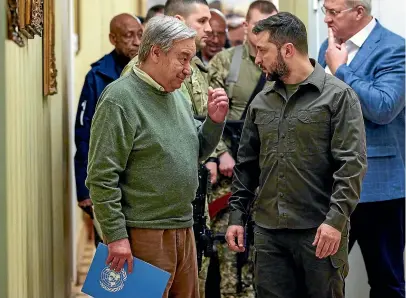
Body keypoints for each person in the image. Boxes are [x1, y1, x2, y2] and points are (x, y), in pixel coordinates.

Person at [226, 12, 368, 298]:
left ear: (287, 50)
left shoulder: (338, 96)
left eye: (262, 51)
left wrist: (336, 220)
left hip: (319, 232)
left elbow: (351, 165)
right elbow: (247, 166)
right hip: (268, 235)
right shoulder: (261, 101)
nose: (257, 59)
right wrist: (236, 216)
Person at [86, 15, 229, 298]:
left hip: (183, 228)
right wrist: (116, 237)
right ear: (155, 53)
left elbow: (195, 151)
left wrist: (214, 122)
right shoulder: (119, 99)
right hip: (142, 234)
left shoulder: (177, 95)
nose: (189, 70)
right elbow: (101, 178)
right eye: (183, 58)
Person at [318, 0, 405, 297]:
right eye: (325, 11)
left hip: (378, 187)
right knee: (322, 278)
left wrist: (341, 70)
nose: (327, 19)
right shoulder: (325, 48)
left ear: (359, 11)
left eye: (333, 12)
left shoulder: (395, 48)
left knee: (386, 282)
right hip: (329, 186)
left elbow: (383, 107)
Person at [206, 1, 277, 297]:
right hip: (228, 175)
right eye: (259, 26)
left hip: (267, 174)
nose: (265, 34)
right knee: (225, 246)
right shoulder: (224, 61)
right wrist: (221, 152)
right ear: (246, 27)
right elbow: (205, 111)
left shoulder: (280, 64)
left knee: (262, 248)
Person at [74, 13, 143, 245]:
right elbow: (84, 135)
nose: (136, 41)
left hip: (139, 181)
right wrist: (84, 189)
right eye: (128, 35)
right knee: (109, 254)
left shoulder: (149, 71)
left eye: (140, 34)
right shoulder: (98, 75)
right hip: (107, 178)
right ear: (113, 39)